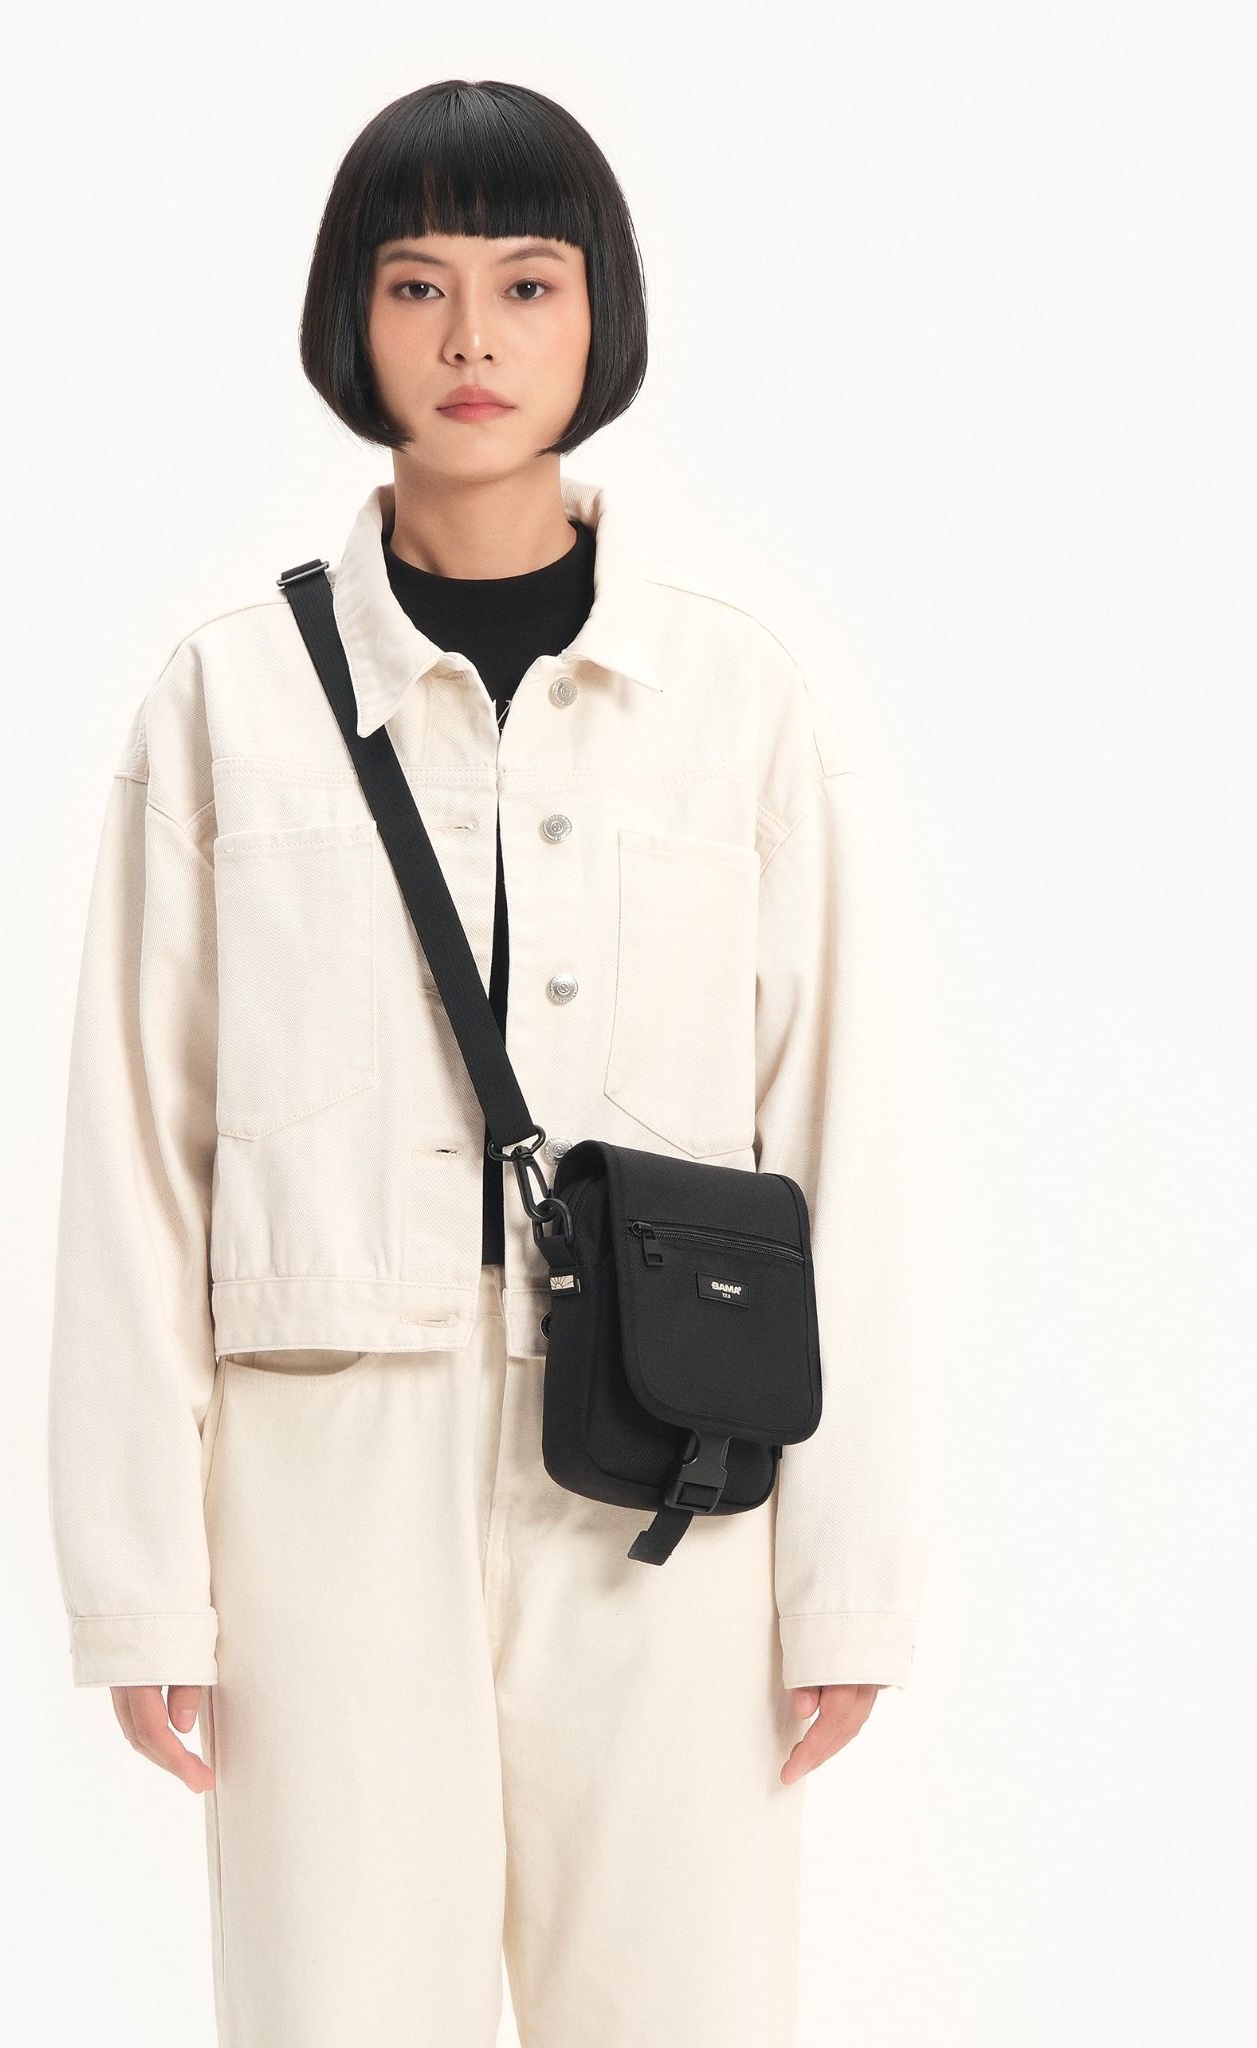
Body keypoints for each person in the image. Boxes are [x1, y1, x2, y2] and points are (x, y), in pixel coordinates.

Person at [47, 76, 929, 2048]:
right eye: (416, 285)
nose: (470, 340)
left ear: (599, 313)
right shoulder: (228, 701)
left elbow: (837, 1137)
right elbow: (137, 1153)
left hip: (668, 1483)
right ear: (347, 320)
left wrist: (846, 1577)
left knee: (685, 2012)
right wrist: (143, 1578)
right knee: (336, 2010)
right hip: (320, 1481)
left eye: (527, 285)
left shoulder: (734, 701)